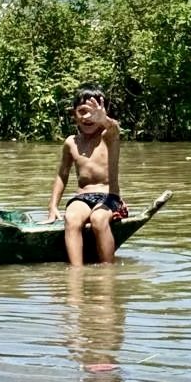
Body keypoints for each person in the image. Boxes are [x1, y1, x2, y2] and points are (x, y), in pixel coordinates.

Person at [47, 86, 125, 266]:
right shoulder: (71, 143)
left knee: (98, 219)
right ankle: (76, 272)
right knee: (71, 218)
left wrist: (104, 119)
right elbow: (62, 174)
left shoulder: (108, 136)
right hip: (82, 197)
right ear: (74, 115)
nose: (87, 117)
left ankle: (108, 272)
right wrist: (52, 206)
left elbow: (113, 128)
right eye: (82, 112)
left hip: (109, 196)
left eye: (93, 113)